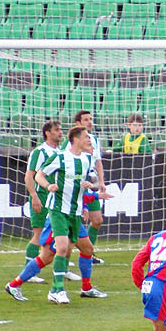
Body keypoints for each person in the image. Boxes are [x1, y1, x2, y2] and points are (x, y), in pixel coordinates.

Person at [34, 126, 98, 304]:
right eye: (86, 137)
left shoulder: (86, 158)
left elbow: (89, 183)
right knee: (58, 248)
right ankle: (56, 289)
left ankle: (86, 288)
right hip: (58, 210)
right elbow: (39, 175)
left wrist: (88, 190)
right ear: (76, 139)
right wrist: (48, 186)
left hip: (75, 212)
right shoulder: (60, 157)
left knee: (85, 249)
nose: (89, 140)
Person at [4, 195, 108, 301]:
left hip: (73, 218)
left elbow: (80, 192)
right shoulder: (59, 179)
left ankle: (86, 288)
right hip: (59, 218)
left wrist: (85, 206)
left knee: (87, 249)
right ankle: (14, 285)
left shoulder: (79, 179)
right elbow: (45, 180)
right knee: (46, 257)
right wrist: (96, 195)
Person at [22, 119, 62, 269]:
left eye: (60, 129)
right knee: (39, 236)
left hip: (56, 200)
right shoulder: (40, 152)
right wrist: (34, 196)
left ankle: (62, 268)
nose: (60, 132)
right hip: (42, 197)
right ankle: (29, 270)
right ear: (47, 133)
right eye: (56, 129)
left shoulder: (60, 152)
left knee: (59, 236)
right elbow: (29, 176)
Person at [73, 110, 107, 257]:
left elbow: (98, 161)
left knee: (97, 220)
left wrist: (101, 181)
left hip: (90, 184)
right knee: (72, 223)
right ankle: (63, 252)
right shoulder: (72, 141)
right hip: (77, 185)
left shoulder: (93, 139)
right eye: (86, 119)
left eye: (91, 119)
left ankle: (88, 253)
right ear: (78, 123)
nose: (90, 122)